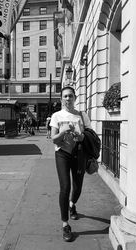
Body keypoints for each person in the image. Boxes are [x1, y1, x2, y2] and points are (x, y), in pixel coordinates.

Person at [50, 85, 91, 242]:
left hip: (79, 154)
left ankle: (72, 204)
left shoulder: (82, 115)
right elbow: (53, 138)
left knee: (78, 187)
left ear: (75, 98)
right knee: (65, 187)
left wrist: (81, 136)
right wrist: (63, 132)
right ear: (61, 99)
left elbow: (89, 134)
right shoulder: (56, 116)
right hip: (62, 154)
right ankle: (65, 224)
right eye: (65, 96)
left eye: (70, 96)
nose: (68, 98)